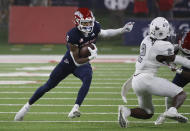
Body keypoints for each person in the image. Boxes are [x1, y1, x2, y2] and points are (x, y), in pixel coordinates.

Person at [14, 7, 134, 121]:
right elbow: (76, 61)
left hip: (83, 63)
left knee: (88, 77)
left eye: (89, 23)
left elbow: (105, 33)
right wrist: (91, 57)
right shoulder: (72, 35)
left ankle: (75, 108)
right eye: (85, 23)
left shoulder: (95, 27)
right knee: (48, 86)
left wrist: (122, 30)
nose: (88, 26)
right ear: (77, 22)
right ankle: (25, 108)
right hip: (69, 62)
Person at [118, 17, 189, 128]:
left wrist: (171, 57)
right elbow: (177, 59)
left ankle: (125, 111)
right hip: (147, 79)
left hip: (136, 80)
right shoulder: (164, 46)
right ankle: (172, 111)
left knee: (147, 112)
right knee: (181, 93)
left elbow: (161, 55)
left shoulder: (146, 39)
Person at [155, 30, 190, 124]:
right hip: (186, 66)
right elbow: (171, 52)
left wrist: (178, 70)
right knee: (172, 90)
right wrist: (170, 62)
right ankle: (169, 113)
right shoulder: (183, 38)